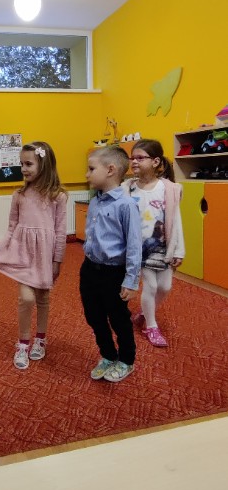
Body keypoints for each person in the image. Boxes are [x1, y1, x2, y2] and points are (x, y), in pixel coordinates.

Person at [0, 141, 67, 370]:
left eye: (28, 164)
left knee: (43, 298)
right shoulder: (19, 195)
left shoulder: (58, 196)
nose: (23, 169)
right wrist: (2, 248)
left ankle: (40, 339)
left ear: (44, 165)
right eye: (21, 164)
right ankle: (22, 343)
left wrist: (57, 260)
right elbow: (12, 226)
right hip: (24, 254)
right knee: (26, 298)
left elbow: (60, 231)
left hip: (45, 255)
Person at [80, 146, 142, 382]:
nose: (87, 174)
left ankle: (126, 360)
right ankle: (108, 355)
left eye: (91, 169)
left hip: (114, 274)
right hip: (89, 270)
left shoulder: (126, 205)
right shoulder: (95, 201)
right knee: (93, 316)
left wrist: (131, 280)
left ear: (110, 170)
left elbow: (134, 245)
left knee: (118, 319)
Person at [122, 139, 185, 347]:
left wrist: (179, 250)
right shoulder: (128, 188)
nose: (134, 162)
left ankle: (144, 312)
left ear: (156, 161)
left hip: (163, 247)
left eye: (140, 158)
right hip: (140, 248)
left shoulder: (168, 189)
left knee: (165, 287)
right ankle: (151, 326)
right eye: (132, 158)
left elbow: (176, 221)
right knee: (151, 285)